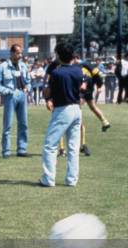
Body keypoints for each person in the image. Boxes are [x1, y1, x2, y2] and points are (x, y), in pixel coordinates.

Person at [40, 42, 83, 187]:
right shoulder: (78, 70)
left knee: (50, 145)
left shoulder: (56, 73)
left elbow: (47, 91)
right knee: (73, 147)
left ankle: (48, 179)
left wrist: (46, 92)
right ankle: (71, 179)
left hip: (62, 110)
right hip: (76, 109)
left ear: (59, 55)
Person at [0, 44, 31, 158]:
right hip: (10, 96)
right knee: (7, 125)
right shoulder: (2, 67)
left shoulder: (23, 66)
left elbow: (28, 81)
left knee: (24, 124)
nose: (20, 55)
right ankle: (6, 151)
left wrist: (27, 89)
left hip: (22, 95)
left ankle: (22, 149)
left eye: (21, 53)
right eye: (18, 53)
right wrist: (6, 91)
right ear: (12, 53)